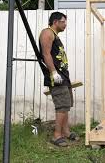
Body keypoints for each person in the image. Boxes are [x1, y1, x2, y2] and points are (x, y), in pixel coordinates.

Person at [39, 12, 79, 147]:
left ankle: (66, 132)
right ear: (55, 22)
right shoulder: (47, 32)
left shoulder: (55, 35)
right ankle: (57, 135)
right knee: (61, 105)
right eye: (63, 21)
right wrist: (54, 73)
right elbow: (45, 54)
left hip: (64, 76)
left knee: (66, 105)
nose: (65, 24)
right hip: (56, 76)